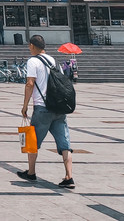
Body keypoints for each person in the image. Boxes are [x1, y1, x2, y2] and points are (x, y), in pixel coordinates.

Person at [18, 34, 75, 189]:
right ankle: (69, 177)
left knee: (33, 142)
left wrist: (25, 106)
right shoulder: (54, 61)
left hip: (42, 108)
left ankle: (31, 173)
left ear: (31, 46)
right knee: (65, 144)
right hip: (58, 108)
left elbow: (30, 84)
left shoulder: (33, 61)